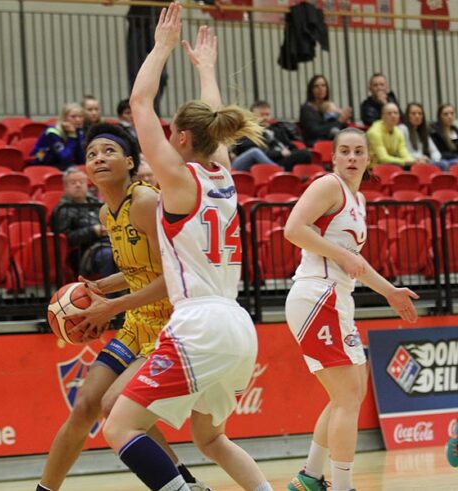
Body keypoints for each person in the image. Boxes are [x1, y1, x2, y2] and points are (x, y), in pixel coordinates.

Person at [104, 7, 273, 491]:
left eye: (172, 131)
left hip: (200, 323)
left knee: (119, 426)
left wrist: (161, 47)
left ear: (180, 136)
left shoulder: (178, 180)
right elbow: (210, 122)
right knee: (210, 437)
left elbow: (139, 101)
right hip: (238, 326)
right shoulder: (223, 174)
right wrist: (206, 71)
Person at [37, 122, 209, 491]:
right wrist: (101, 287)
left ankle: (182, 484)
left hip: (172, 323)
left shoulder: (145, 202)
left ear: (130, 162)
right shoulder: (106, 214)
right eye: (91, 154)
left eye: (109, 151)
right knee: (85, 405)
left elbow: (175, 276)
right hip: (137, 321)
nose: (98, 158)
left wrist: (111, 306)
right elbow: (139, 273)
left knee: (116, 407)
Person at [283, 127, 419, 491]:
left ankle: (310, 477)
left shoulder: (357, 199)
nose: (352, 157)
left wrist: (390, 291)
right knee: (347, 398)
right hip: (316, 294)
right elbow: (293, 229)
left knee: (349, 394)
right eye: (345, 151)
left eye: (359, 151)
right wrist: (341, 255)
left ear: (369, 158)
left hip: (337, 298)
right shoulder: (328, 186)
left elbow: (355, 260)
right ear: (334, 157)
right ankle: (342, 486)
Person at [52, 167, 114, 279]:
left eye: (81, 182)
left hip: (108, 243)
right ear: (65, 187)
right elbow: (65, 239)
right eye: (73, 182)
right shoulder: (62, 209)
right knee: (110, 256)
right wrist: (93, 231)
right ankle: (112, 290)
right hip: (84, 251)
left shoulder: (97, 204)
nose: (78, 185)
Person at [235, 100, 311, 172]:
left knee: (305, 154)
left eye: (267, 115)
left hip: (280, 159)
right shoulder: (247, 132)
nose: (265, 118)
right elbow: (257, 151)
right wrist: (279, 153)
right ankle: (279, 171)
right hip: (264, 161)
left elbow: (289, 145)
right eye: (261, 115)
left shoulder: (276, 129)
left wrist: (291, 151)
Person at [399, 102, 456, 171]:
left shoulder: (422, 132)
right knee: (443, 164)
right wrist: (418, 158)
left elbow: (435, 152)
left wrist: (431, 159)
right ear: (407, 116)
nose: (417, 116)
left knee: (452, 162)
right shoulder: (403, 129)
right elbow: (403, 151)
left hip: (424, 161)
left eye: (420, 114)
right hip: (410, 162)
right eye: (413, 113)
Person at [299, 75, 352, 147]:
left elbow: (337, 126)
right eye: (316, 86)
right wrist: (339, 121)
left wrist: (344, 120)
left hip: (333, 141)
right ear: (311, 90)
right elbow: (314, 131)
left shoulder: (329, 106)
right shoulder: (306, 109)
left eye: (323, 85)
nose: (320, 89)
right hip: (316, 144)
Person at [31, 102, 85, 171]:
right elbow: (65, 158)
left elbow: (82, 159)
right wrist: (72, 136)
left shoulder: (79, 131)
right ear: (64, 118)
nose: (78, 120)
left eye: (80, 116)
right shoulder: (52, 132)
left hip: (63, 165)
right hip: (42, 164)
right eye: (73, 117)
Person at [366, 102, 414, 168]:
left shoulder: (399, 131)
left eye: (396, 113)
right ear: (382, 116)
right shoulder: (374, 132)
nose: (393, 116)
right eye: (389, 113)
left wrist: (412, 161)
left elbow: (403, 151)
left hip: (390, 166)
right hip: (373, 168)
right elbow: (383, 158)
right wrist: (405, 161)